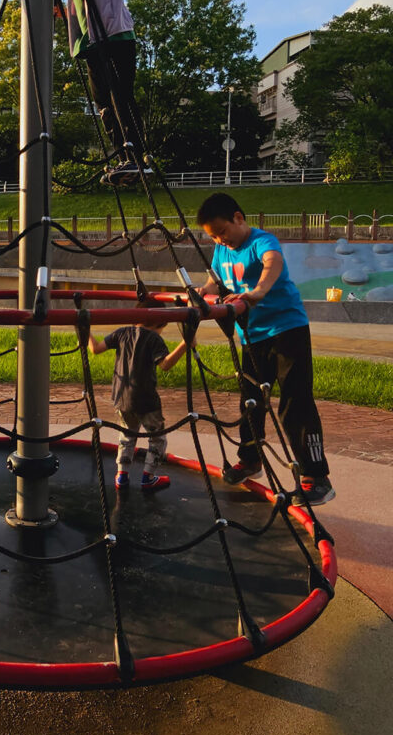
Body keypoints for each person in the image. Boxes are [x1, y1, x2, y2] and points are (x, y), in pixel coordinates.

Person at [196, 192, 335, 506]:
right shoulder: (221, 249)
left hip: (287, 330)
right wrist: (201, 292)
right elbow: (215, 282)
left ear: (238, 218)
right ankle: (251, 459)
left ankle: (316, 477)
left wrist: (256, 293)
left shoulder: (262, 241)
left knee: (294, 401)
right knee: (251, 400)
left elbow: (273, 265)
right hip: (252, 336)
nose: (220, 239)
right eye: (214, 236)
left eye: (223, 232)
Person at [66, 0, 141, 185]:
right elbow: (78, 2)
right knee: (104, 105)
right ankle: (123, 158)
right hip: (93, 41)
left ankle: (136, 156)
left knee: (120, 97)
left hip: (115, 35)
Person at [88, 307, 193, 490]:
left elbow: (95, 349)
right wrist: (185, 344)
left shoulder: (122, 332)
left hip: (122, 398)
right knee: (157, 438)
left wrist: (83, 329)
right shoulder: (153, 338)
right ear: (157, 323)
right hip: (146, 400)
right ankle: (148, 476)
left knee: (127, 435)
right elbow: (166, 364)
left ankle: (122, 475)